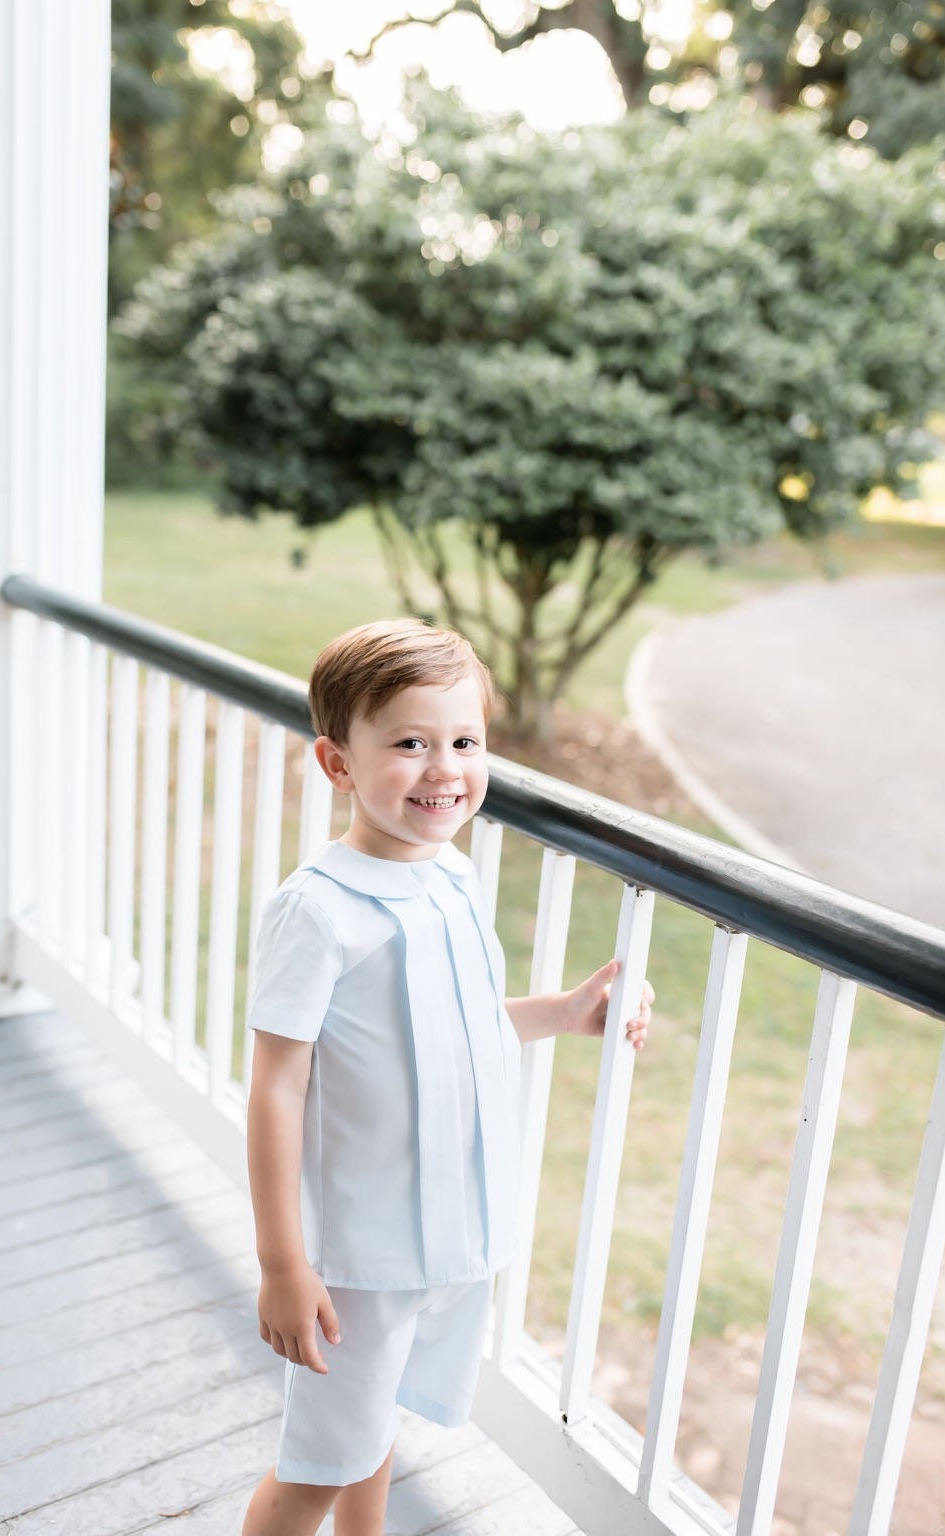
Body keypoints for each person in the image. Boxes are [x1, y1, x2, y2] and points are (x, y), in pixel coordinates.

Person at [241, 618, 654, 1536]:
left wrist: (567, 1013)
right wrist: (282, 1262)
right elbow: (275, 1087)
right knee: (316, 1464)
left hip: (447, 1235)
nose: (444, 770)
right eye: (409, 744)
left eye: (464, 741)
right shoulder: (318, 912)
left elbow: (452, 1032)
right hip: (355, 1258)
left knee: (374, 1421)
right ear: (337, 763)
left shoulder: (454, 882)